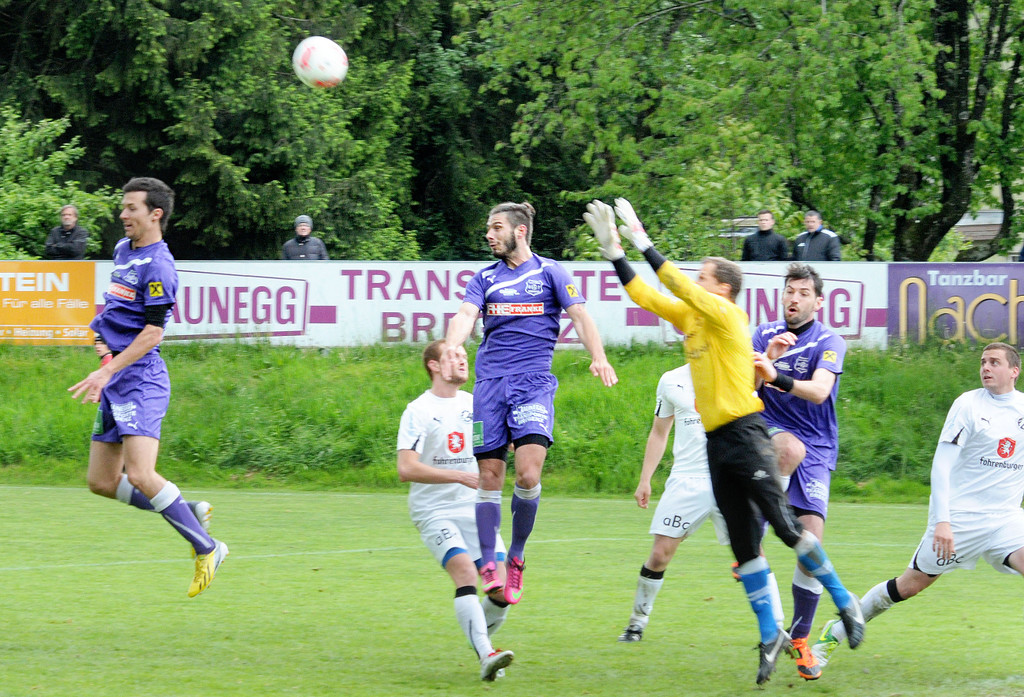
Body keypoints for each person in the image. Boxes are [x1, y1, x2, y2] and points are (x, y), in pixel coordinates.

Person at [583, 198, 863, 685]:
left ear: (723, 290)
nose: (696, 283)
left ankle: (845, 601)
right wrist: (614, 253)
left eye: (704, 278)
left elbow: (671, 282)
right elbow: (648, 297)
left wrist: (642, 240)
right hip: (717, 443)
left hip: (747, 433)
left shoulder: (729, 317)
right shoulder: (694, 319)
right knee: (744, 545)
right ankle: (769, 635)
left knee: (786, 528)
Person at [443, 201, 617, 606]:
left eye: (496, 227)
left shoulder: (551, 271)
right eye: (488, 227)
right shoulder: (483, 277)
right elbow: (465, 315)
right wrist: (453, 346)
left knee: (526, 475)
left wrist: (599, 355)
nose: (489, 234)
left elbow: (580, 316)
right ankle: (489, 561)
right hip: (489, 385)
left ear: (519, 231)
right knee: (489, 476)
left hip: (533, 383)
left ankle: (516, 555)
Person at [811, 342, 1024, 672]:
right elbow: (941, 465)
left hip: (1006, 520)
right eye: (983, 361)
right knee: (909, 586)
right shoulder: (968, 405)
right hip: (961, 519)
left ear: (1014, 370)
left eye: (994, 362)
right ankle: (836, 632)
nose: (985, 367)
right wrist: (943, 521)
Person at [68, 177, 227, 598]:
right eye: (123, 207)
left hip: (141, 381)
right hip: (117, 378)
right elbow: (113, 315)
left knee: (140, 473)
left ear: (155, 214)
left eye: (132, 208)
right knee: (102, 481)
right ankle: (186, 510)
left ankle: (208, 546)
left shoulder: (159, 266)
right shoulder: (123, 252)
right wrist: (103, 356)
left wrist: (108, 372)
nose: (123, 214)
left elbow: (153, 334)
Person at [617, 363, 785, 643]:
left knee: (755, 553)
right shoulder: (670, 380)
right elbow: (659, 432)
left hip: (728, 475)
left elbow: (757, 389)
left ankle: (776, 629)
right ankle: (637, 623)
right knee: (660, 554)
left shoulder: (732, 370)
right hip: (686, 479)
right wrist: (645, 479)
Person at [750, 262, 847, 680]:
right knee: (788, 445)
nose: (794, 298)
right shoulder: (762, 334)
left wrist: (779, 377)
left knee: (811, 547)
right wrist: (763, 370)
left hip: (819, 447)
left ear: (818, 301)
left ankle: (800, 637)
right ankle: (763, 522)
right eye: (790, 290)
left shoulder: (830, 341)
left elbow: (820, 390)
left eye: (804, 292)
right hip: (770, 431)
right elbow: (744, 386)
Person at [397, 340, 515, 681]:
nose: (463, 360)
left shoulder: (477, 404)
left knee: (502, 589)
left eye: (465, 356)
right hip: (434, 510)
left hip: (476, 508)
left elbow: (501, 442)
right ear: (434, 365)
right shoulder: (417, 410)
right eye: (454, 356)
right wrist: (458, 475)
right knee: (465, 573)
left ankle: (479, 639)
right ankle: (486, 655)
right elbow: (406, 468)